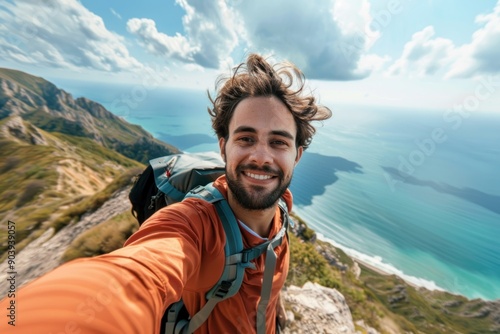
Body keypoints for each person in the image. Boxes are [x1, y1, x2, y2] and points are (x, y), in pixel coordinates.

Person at [0, 53, 331, 333]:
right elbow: (138, 274)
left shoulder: (282, 205)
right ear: (223, 148)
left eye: (278, 142)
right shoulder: (194, 225)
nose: (261, 156)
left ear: (296, 155)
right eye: (245, 138)